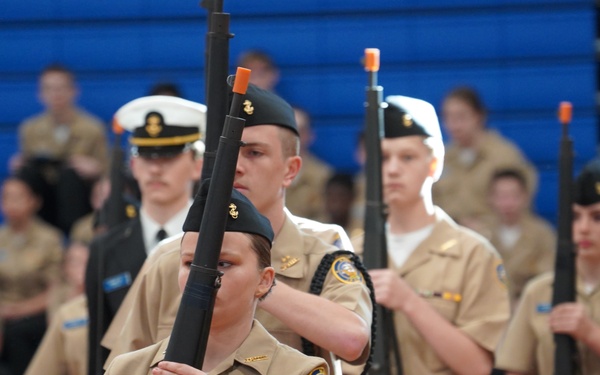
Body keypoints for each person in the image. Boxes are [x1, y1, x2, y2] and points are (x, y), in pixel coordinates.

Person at [102, 85, 372, 375]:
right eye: (228, 154)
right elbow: (127, 360)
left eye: (255, 153)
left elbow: (352, 341)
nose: (236, 167)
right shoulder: (170, 257)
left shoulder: (322, 255)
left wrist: (248, 280)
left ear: (291, 170)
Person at [105, 180, 329, 375]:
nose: (202, 277)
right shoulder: (128, 369)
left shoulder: (299, 371)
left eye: (224, 263)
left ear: (264, 281)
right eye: (189, 263)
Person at [363, 95, 510, 374]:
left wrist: (409, 302)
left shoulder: (474, 255)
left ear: (434, 165)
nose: (393, 169)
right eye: (383, 158)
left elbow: (478, 367)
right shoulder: (350, 252)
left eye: (407, 157)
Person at [84, 95, 206, 375]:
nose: (155, 168)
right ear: (134, 166)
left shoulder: (217, 243)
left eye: (170, 156)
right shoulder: (105, 248)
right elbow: (98, 345)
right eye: (145, 156)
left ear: (197, 164)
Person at [495, 159, 600, 375]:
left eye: (597, 217)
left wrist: (591, 334)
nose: (583, 229)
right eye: (575, 217)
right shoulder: (539, 291)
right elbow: (515, 368)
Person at [12, 64, 109, 235]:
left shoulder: (92, 128)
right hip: (45, 197)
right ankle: (31, 235)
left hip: (78, 198)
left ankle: (75, 237)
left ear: (74, 91)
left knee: (69, 178)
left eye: (61, 88)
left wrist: (96, 168)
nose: (56, 94)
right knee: (25, 175)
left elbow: (107, 173)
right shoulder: (30, 129)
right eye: (49, 89)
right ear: (40, 94)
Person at [432, 86, 538, 229]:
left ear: (478, 116)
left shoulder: (504, 155)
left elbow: (522, 206)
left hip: (492, 239)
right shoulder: (441, 157)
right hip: (448, 236)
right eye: (448, 117)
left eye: (460, 116)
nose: (453, 125)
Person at [0, 168, 64, 375]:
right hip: (2, 310)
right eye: (6, 197)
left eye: (18, 197)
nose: (10, 204)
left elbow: (55, 289)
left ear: (35, 201)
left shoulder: (49, 239)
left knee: (18, 332)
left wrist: (16, 310)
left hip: (34, 311)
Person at [478, 168, 556, 307]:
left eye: (514, 196)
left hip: (527, 304)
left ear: (526, 197)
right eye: (501, 196)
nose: (508, 203)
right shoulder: (478, 234)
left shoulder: (542, 234)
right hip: (486, 305)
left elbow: (547, 278)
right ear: (490, 198)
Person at [25, 240, 91, 375]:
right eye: (75, 263)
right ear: (65, 267)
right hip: (64, 355)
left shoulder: (104, 294)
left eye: (86, 262)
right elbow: (54, 332)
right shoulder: (59, 295)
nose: (81, 268)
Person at [285, 106, 332, 220]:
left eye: (299, 131)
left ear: (310, 135)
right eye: (288, 131)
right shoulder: (265, 170)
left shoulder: (324, 176)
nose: (294, 137)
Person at [318, 173, 362, 237]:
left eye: (341, 196)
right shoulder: (317, 230)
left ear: (351, 198)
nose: (335, 202)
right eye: (330, 195)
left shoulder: (362, 231)